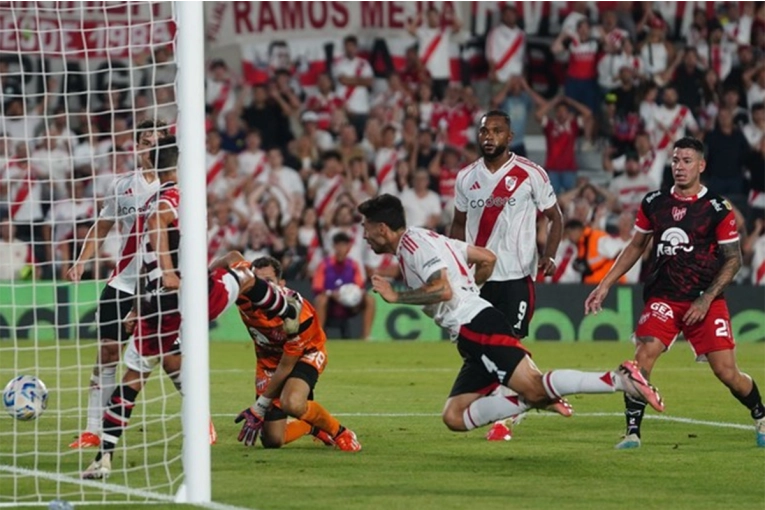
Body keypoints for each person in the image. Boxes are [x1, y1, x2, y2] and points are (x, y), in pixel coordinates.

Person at [359, 194, 664, 439]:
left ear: (382, 228)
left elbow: (442, 290)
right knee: (454, 416)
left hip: (476, 325)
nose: (364, 236)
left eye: (366, 228)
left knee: (533, 384)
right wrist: (471, 288)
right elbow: (486, 258)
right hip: (471, 331)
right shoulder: (425, 239)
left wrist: (396, 296)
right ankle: (534, 399)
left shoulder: (413, 246)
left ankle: (618, 379)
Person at [82, 141, 301, 479]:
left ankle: (104, 457)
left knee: (134, 379)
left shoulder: (151, 199)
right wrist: (170, 271)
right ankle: (284, 308)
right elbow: (158, 224)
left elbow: (145, 258)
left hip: (159, 303)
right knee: (241, 274)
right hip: (191, 293)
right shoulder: (172, 198)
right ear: (179, 165)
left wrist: (140, 304)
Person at [585, 137, 765, 449]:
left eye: (686, 161)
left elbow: (734, 259)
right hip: (663, 297)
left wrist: (706, 298)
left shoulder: (717, 208)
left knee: (727, 372)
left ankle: (760, 414)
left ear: (701, 165)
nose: (679, 167)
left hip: (704, 300)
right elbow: (636, 246)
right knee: (642, 358)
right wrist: (605, 284)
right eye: (675, 160)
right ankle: (632, 433)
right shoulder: (654, 202)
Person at [450, 110, 564, 441]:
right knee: (474, 349)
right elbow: (458, 225)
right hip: (477, 280)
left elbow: (555, 217)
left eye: (496, 131)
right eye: (484, 131)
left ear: (509, 137)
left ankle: (506, 418)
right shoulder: (465, 178)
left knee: (509, 345)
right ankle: (537, 389)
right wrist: (457, 262)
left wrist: (550, 254)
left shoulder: (531, 173)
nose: (488, 136)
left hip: (515, 277)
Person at [67, 119, 168, 449]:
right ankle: (94, 429)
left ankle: (201, 424)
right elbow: (102, 226)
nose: (151, 147)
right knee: (108, 352)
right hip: (123, 283)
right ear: (138, 148)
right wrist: (82, 260)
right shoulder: (121, 186)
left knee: (173, 357)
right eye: (146, 141)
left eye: (157, 141)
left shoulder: (178, 188)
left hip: (161, 285)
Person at [234, 256, 362, 452]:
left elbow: (287, 364)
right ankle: (309, 424)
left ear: (281, 284)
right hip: (268, 363)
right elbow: (233, 257)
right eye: (258, 281)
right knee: (272, 440)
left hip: (306, 353)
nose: (263, 288)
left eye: (269, 282)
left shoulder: (297, 313)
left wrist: (260, 405)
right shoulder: (244, 295)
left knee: (292, 403)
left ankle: (340, 432)